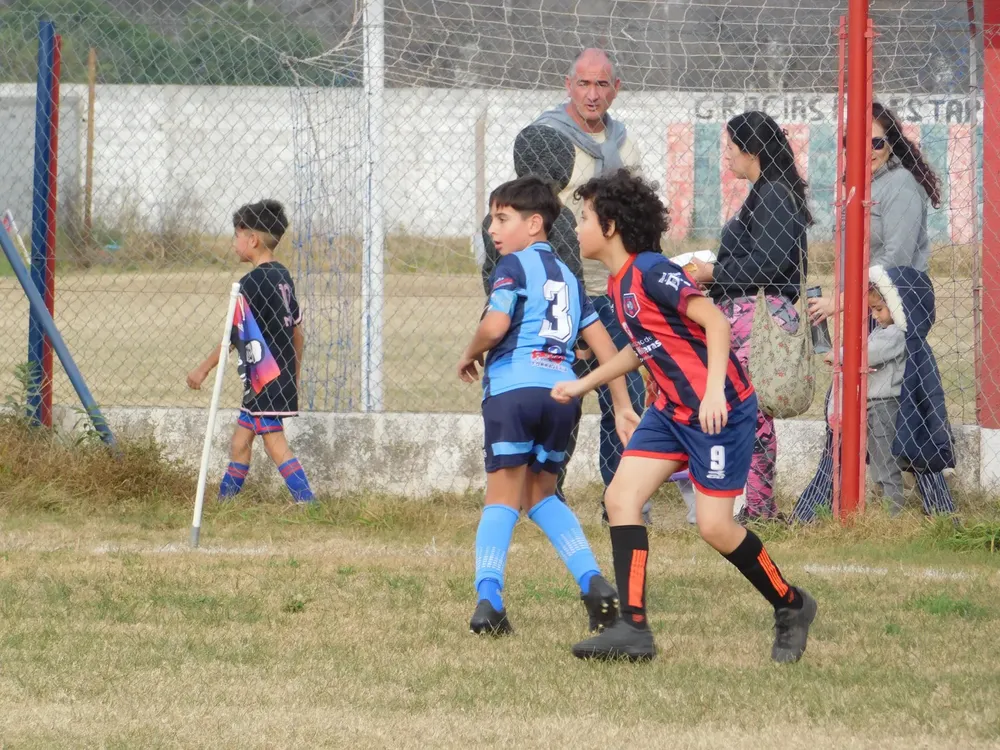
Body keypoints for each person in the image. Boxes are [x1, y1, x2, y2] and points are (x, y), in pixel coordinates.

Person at [554, 169, 817, 663]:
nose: (576, 227)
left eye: (583, 217)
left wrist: (715, 391)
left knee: (716, 528)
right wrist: (585, 385)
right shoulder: (619, 282)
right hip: (671, 413)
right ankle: (633, 629)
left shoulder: (654, 270)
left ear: (609, 225)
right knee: (621, 497)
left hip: (719, 413)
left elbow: (715, 322)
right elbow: (642, 346)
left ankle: (791, 604)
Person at [456, 175, 640, 636]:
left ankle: (489, 602)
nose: (493, 229)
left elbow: (496, 325)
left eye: (503, 219)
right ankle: (593, 581)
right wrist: (620, 404)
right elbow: (604, 346)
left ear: (534, 223)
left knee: (500, 499)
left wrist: (469, 351)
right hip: (562, 396)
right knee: (540, 493)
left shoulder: (513, 267)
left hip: (513, 391)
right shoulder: (571, 278)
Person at [793, 102, 951, 520]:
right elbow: (853, 260)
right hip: (864, 307)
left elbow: (894, 268)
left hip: (894, 311)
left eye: (877, 141)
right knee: (852, 413)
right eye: (855, 143)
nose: (867, 150)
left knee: (900, 409)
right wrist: (841, 301)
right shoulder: (857, 188)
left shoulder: (899, 186)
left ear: (891, 141)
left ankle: (938, 511)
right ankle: (822, 508)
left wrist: (840, 303)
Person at [533, 48, 650, 520]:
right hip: (561, 291)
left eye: (602, 85)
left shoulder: (624, 145)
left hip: (616, 292)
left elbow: (640, 215)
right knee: (560, 397)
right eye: (584, 83)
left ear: (615, 90)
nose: (593, 94)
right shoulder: (546, 138)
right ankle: (546, 495)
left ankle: (620, 499)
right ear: (568, 85)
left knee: (626, 394)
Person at [687, 111, 811, 521]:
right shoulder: (766, 191)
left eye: (731, 148)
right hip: (744, 317)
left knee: (753, 414)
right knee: (749, 413)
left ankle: (758, 506)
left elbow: (771, 264)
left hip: (756, 318)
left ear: (751, 150)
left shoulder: (773, 193)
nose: (727, 156)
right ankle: (753, 504)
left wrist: (713, 272)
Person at [186, 200, 314, 504]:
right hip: (271, 379)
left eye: (236, 236)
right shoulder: (283, 276)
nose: (234, 243)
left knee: (274, 443)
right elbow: (298, 333)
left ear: (252, 240)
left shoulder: (250, 283)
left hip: (266, 378)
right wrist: (293, 375)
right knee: (240, 442)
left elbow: (231, 337)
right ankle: (223, 504)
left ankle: (309, 503)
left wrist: (202, 368)